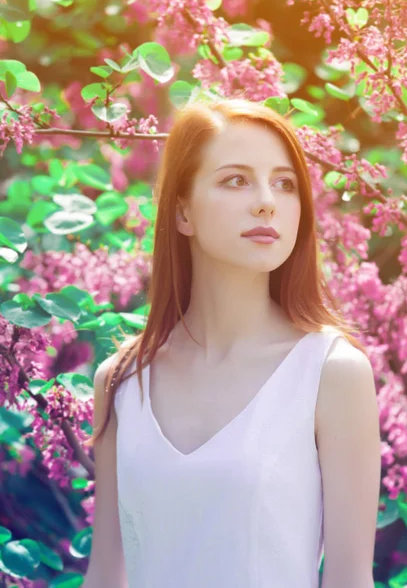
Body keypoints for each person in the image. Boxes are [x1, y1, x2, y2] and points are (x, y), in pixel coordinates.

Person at [83, 97, 381, 588]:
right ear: (182, 212)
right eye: (235, 180)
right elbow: (105, 576)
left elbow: (350, 580)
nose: (266, 200)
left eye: (284, 184)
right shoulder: (120, 381)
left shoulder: (332, 373)